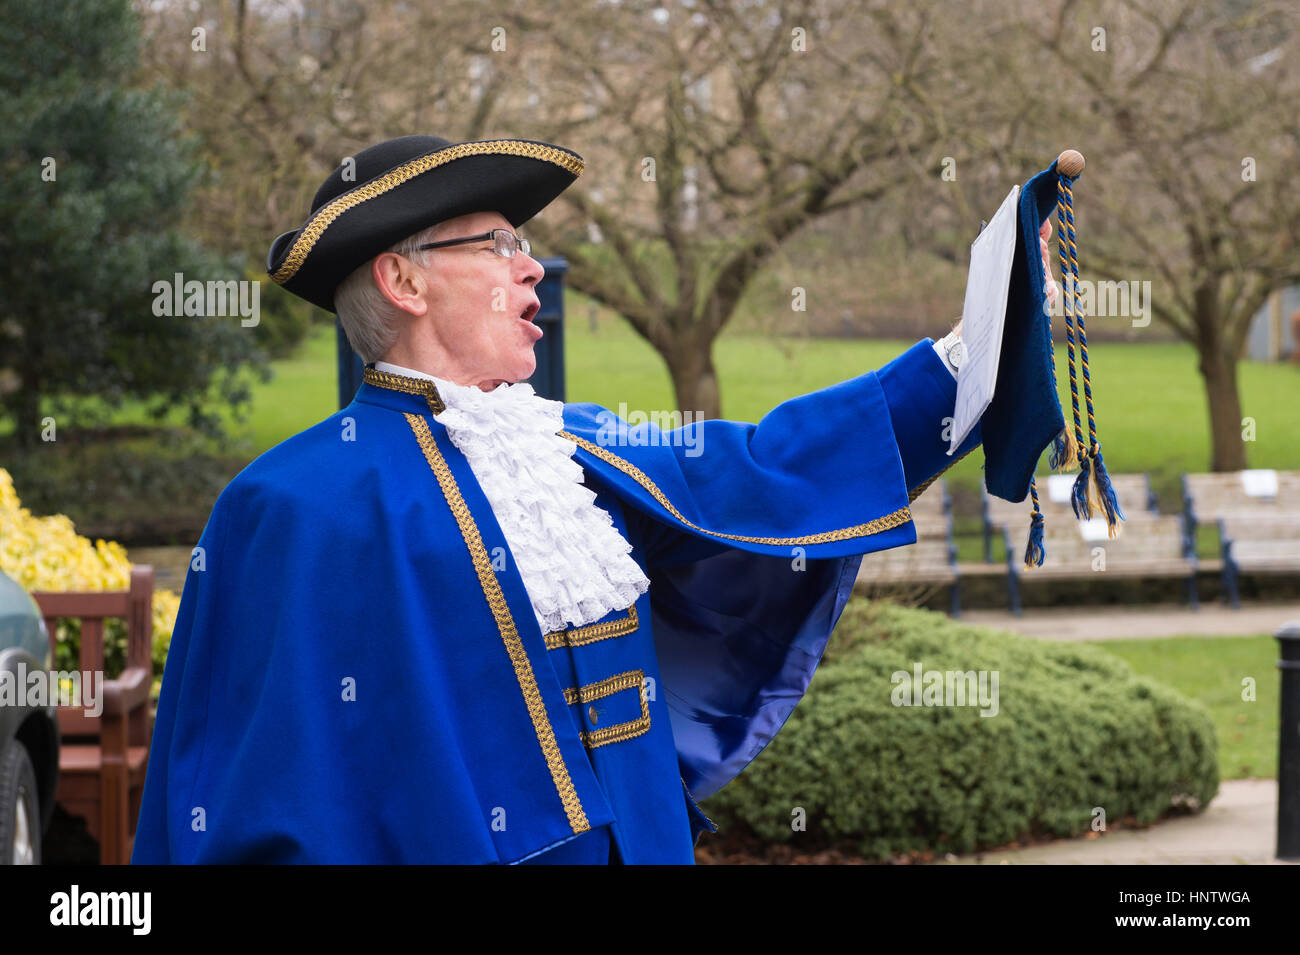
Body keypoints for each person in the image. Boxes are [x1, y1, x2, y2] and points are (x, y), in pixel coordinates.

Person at [131, 134, 1058, 865]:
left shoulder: (572, 445)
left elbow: (776, 471)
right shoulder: (289, 506)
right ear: (402, 279)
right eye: (497, 246)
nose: (531, 267)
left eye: (525, 245)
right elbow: (272, 792)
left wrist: (982, 335)